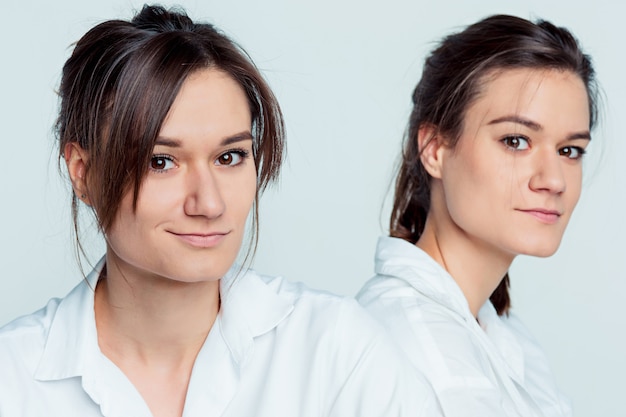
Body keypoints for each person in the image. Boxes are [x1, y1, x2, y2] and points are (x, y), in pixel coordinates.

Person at [0, 5, 441, 417]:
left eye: (229, 157)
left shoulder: (336, 353)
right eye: (161, 161)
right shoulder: (13, 379)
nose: (209, 204)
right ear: (83, 172)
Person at [357, 14, 597, 417]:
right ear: (435, 149)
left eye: (569, 150)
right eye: (516, 141)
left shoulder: (505, 338)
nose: (553, 180)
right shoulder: (411, 347)